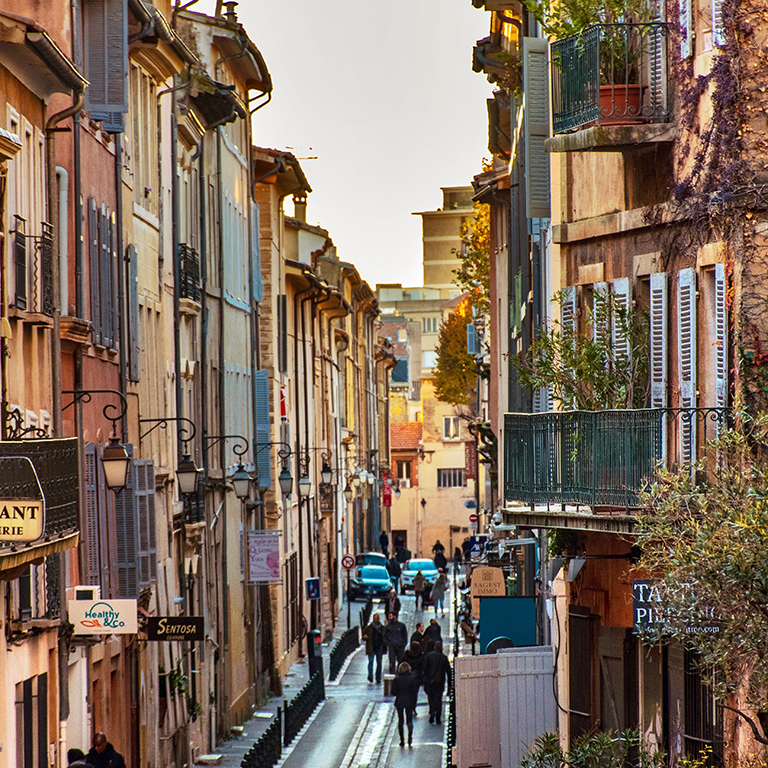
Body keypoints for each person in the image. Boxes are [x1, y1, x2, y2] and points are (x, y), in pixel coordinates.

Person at [422, 642, 452, 725]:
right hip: (440, 681)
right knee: (438, 698)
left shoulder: (429, 656)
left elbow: (424, 668)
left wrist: (425, 679)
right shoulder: (444, 658)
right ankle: (438, 716)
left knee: (431, 697)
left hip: (430, 681)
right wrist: (450, 684)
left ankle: (432, 711)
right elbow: (448, 671)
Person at [391, 661, 419, 747]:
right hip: (409, 701)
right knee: (409, 720)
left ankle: (402, 739)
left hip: (399, 701)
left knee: (400, 720)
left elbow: (393, 692)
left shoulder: (396, 679)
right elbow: (414, 691)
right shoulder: (412, 679)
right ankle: (410, 737)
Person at [362, 613, 385, 683]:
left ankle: (378, 677)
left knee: (379, 663)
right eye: (375, 619)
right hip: (371, 646)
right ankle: (370, 675)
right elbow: (363, 636)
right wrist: (365, 637)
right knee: (371, 662)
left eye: (377, 619)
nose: (376, 620)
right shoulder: (369, 628)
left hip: (379, 646)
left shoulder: (382, 628)